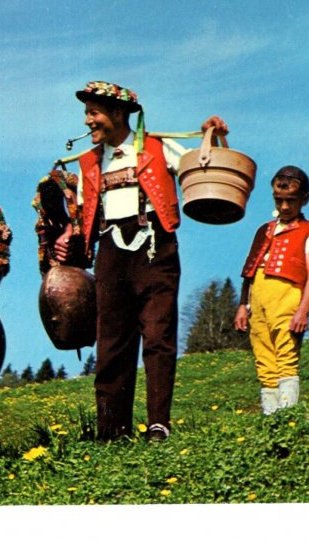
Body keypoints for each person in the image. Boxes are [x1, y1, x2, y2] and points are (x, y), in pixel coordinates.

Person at [54, 81, 228, 442]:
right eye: (86, 113)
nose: (88, 121)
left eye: (94, 113)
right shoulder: (88, 162)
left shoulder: (157, 148)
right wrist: (67, 236)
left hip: (155, 249)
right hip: (110, 254)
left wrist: (212, 136)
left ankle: (158, 424)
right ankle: (109, 430)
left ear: (118, 113)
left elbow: (203, 167)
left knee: (158, 336)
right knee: (111, 344)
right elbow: (83, 214)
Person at [234, 166, 309, 414]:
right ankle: (270, 415)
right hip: (258, 297)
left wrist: (303, 311)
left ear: (303, 199)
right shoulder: (264, 230)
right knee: (263, 355)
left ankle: (287, 413)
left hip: (286, 296)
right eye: (279, 200)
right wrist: (243, 304)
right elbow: (250, 269)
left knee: (286, 354)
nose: (284, 206)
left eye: (290, 201)